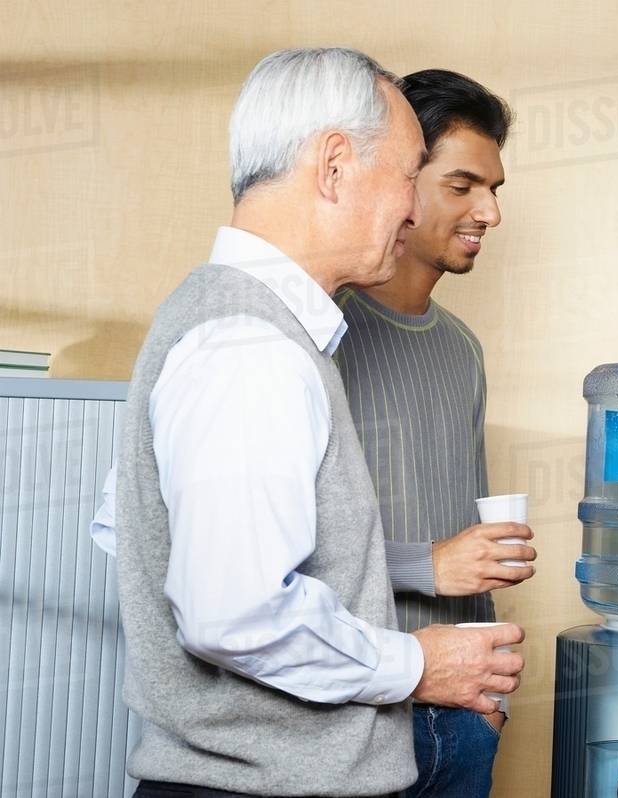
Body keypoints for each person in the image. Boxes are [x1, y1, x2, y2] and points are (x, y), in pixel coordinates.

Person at [101, 48, 523, 797]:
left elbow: (132, 532)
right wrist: (419, 664)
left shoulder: (249, 327)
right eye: (406, 174)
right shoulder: (250, 347)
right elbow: (233, 615)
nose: (409, 205)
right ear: (333, 166)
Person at [333, 69, 534, 797]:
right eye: (462, 186)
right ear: (399, 180)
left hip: (462, 714)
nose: (488, 211)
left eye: (495, 189)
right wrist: (428, 564)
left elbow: (466, 540)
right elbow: (270, 559)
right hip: (351, 714)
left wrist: (493, 705)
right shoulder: (317, 337)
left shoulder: (462, 348)